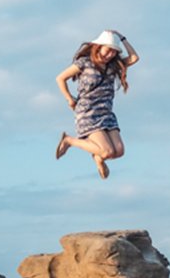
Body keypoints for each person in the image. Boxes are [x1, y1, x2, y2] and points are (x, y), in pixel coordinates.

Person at [54, 29, 140, 179]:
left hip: (106, 113)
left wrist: (121, 37)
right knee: (107, 151)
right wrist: (69, 98)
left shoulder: (113, 66)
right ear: (98, 46)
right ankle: (69, 140)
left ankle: (98, 157)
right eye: (108, 50)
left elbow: (134, 58)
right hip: (88, 112)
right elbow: (60, 78)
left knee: (118, 151)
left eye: (114, 52)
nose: (110, 55)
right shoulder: (84, 63)